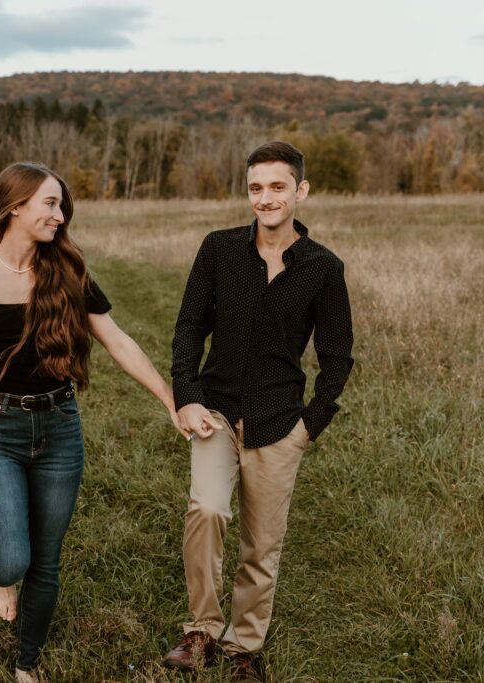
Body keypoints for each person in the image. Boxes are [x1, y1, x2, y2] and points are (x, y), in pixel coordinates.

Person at [0, 161, 183, 682]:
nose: (60, 212)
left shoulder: (67, 270)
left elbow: (116, 340)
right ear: (15, 207)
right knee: (10, 561)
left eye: (61, 203)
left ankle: (26, 664)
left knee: (46, 560)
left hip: (60, 428)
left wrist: (168, 397)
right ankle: (3, 579)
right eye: (50, 202)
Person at [164, 141, 354, 681]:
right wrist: (187, 394)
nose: (265, 198)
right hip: (216, 412)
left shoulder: (323, 269)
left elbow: (337, 357)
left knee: (261, 544)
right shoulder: (219, 249)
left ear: (301, 190)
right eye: (255, 188)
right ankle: (200, 629)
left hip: (279, 423)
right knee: (207, 511)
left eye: (276, 187)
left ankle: (242, 647)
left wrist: (309, 426)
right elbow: (188, 328)